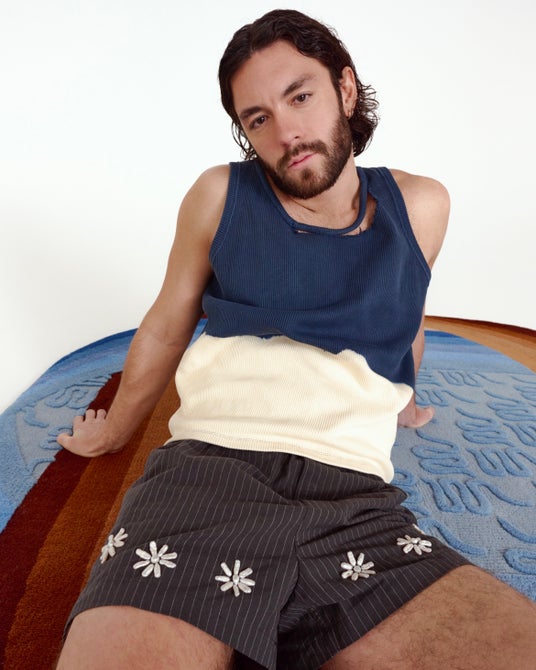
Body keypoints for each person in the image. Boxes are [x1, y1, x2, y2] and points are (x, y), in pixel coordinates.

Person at [56, 9, 536, 670]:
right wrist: (113, 431)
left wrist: (402, 397)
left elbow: (405, 307)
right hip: (205, 479)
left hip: (356, 505)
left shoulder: (422, 204)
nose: (285, 132)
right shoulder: (220, 194)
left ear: (345, 88)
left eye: (299, 96)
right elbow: (168, 323)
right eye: (258, 118)